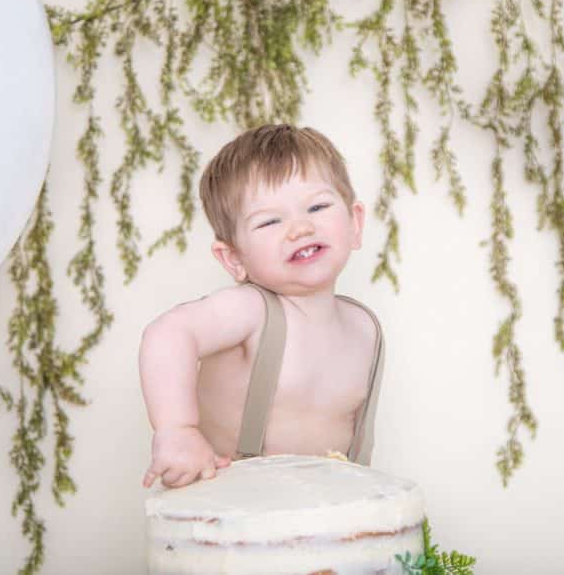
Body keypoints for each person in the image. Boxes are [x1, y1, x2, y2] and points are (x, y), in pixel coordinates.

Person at [139, 124, 385, 489]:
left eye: (317, 206)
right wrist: (177, 429)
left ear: (355, 223)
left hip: (326, 521)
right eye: (270, 221)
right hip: (231, 520)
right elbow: (169, 333)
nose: (300, 228)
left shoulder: (364, 328)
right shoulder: (251, 312)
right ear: (234, 258)